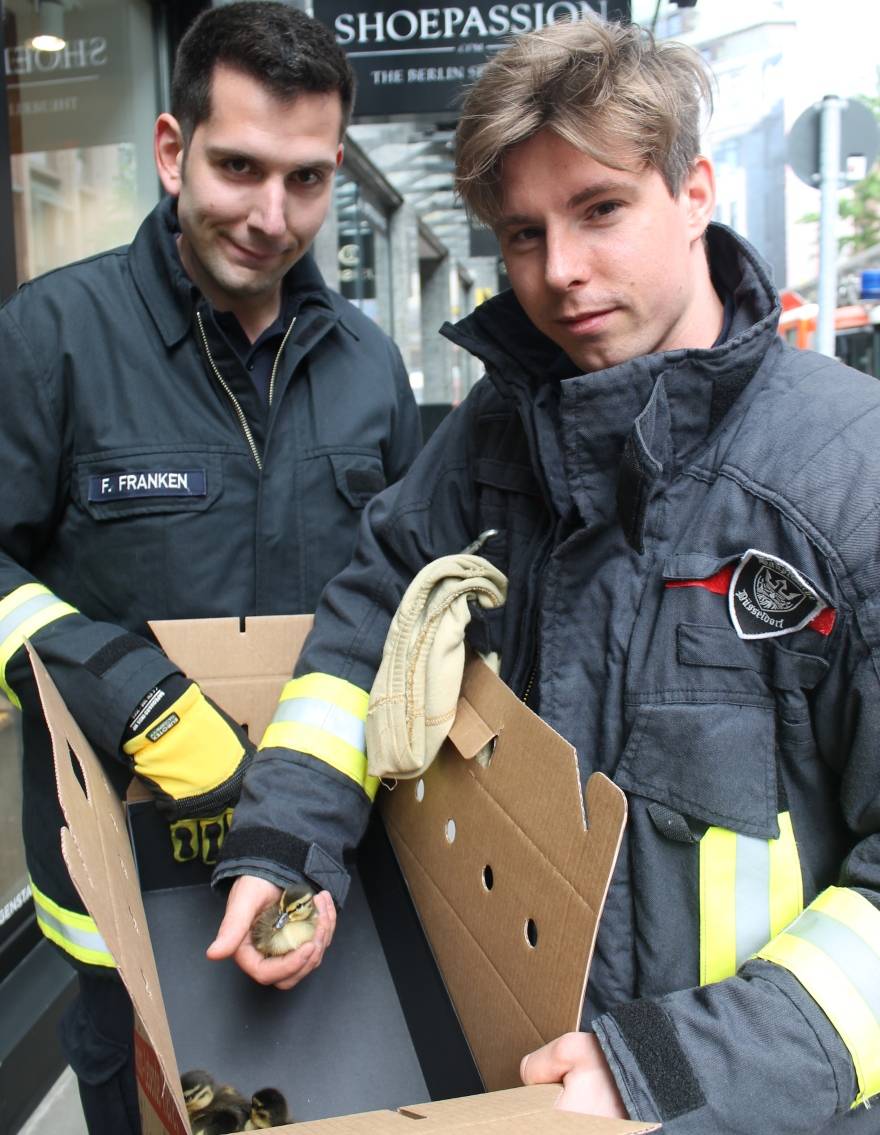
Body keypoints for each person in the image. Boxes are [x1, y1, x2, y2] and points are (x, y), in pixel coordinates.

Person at [211, 16, 880, 1134]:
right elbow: (366, 622)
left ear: (695, 189)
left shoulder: (846, 480)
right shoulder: (496, 434)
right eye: (521, 234)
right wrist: (291, 841)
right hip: (506, 1073)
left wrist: (675, 1069)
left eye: (600, 210)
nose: (559, 272)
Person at [0, 3, 420, 1131]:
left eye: (307, 179)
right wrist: (109, 676)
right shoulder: (52, 338)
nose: (271, 216)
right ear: (174, 150)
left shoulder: (371, 370)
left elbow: (397, 597)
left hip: (314, 871)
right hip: (121, 889)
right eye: (238, 167)